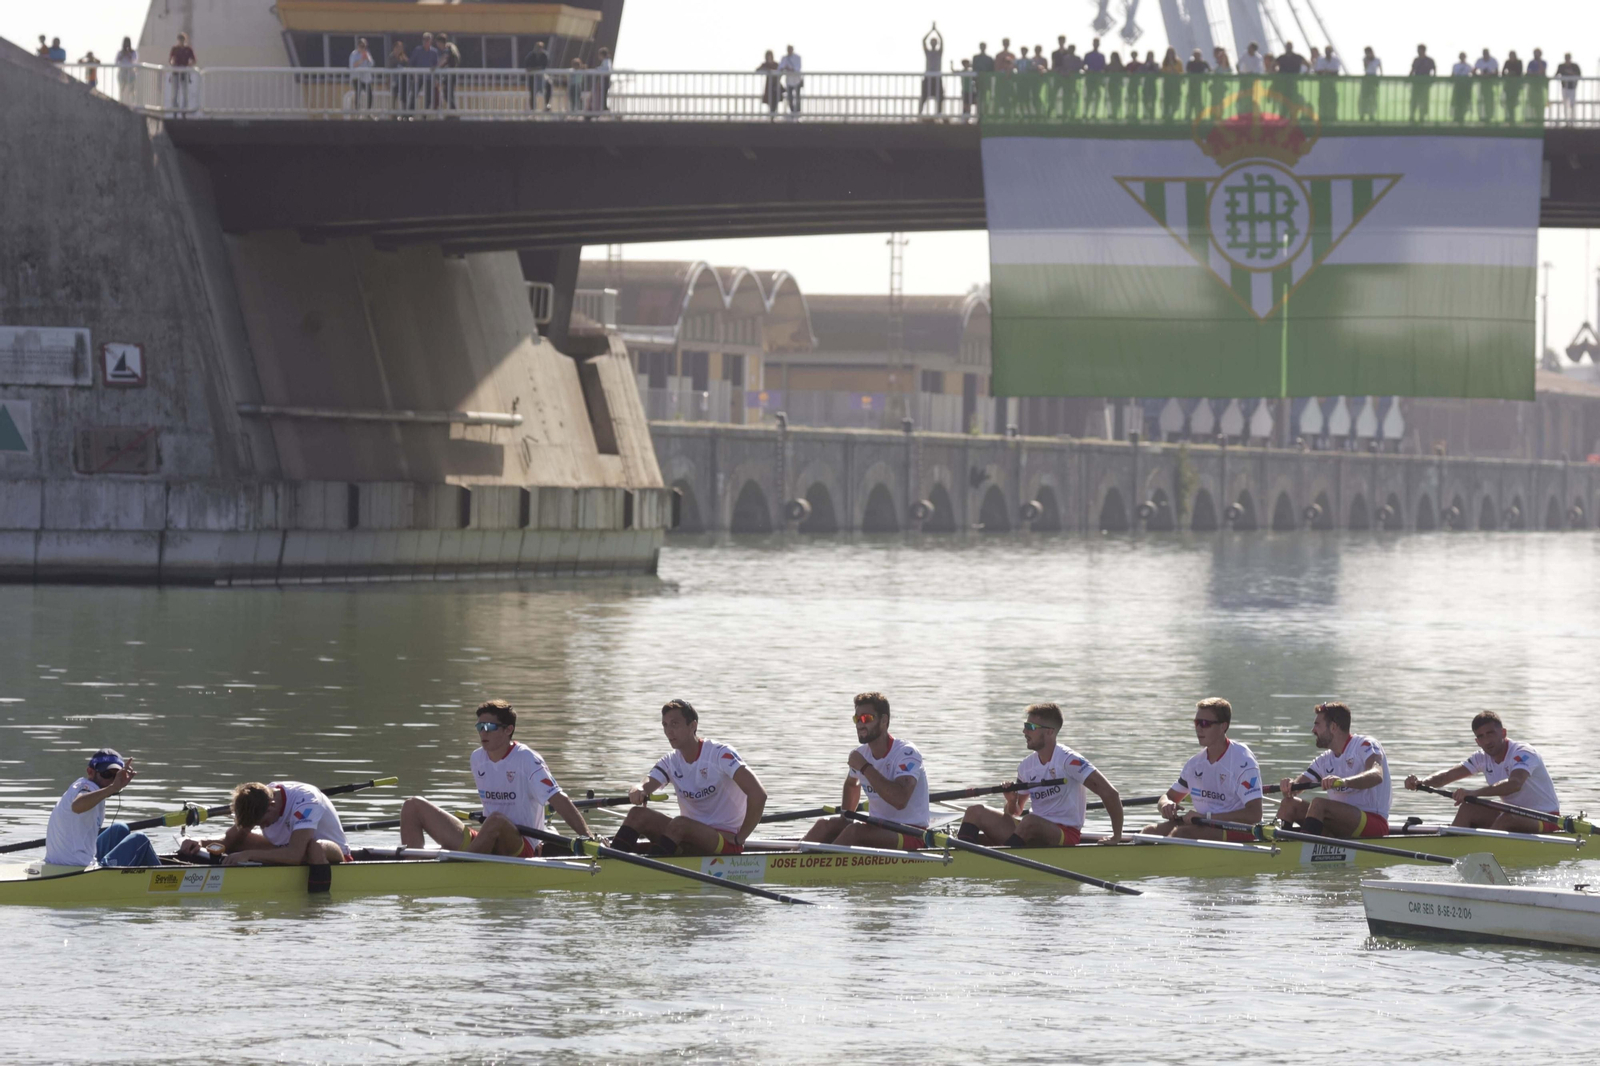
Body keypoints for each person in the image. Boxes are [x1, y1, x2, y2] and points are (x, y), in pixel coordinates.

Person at [399, 700, 592, 857]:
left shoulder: (527, 759)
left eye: (490, 726)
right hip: (487, 838)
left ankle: (462, 868)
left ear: (508, 730)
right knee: (412, 805)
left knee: (496, 820)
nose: (483, 732)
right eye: (479, 727)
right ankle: (412, 869)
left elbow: (559, 800)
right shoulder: (477, 758)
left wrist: (589, 838)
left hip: (521, 845)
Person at [957, 703, 1124, 847]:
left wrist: (1116, 836)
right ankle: (962, 858)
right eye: (1025, 725)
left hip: (1065, 833)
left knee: (1030, 821)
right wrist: (1011, 801)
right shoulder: (1025, 766)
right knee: (974, 811)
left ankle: (999, 860)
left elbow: (1109, 793)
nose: (1024, 731)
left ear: (1050, 732)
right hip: (1031, 829)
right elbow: (1015, 811)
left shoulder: (1069, 761)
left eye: (1031, 727)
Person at [614, 699, 767, 856]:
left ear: (692, 726)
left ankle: (644, 869)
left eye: (675, 724)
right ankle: (609, 862)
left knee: (680, 824)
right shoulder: (670, 761)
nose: (668, 731)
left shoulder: (720, 754)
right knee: (637, 814)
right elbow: (646, 784)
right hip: (686, 834)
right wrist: (638, 789)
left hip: (723, 839)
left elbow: (758, 795)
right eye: (665, 725)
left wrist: (740, 838)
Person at [804, 692, 930, 849]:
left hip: (911, 833)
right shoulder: (862, 754)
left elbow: (900, 800)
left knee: (855, 832)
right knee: (825, 825)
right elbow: (852, 784)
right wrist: (846, 817)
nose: (859, 724)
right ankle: (791, 857)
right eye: (857, 719)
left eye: (866, 718)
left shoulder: (907, 753)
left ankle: (817, 866)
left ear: (884, 721)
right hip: (878, 828)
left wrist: (865, 767)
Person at [1405, 712, 1561, 833]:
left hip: (1546, 818)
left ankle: (1482, 855)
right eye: (1481, 736)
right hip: (1513, 813)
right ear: (1477, 741)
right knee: (1468, 808)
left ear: (1503, 733)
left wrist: (1474, 793)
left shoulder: (1523, 753)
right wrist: (1421, 783)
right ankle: (1449, 849)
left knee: (1506, 819)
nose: (1487, 741)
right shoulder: (1481, 757)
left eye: (1491, 733)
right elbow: (1446, 776)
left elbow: (1515, 784)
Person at [1142, 698, 1264, 841]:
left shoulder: (1242, 760)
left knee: (1181, 834)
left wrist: (1208, 817)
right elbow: (1167, 796)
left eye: (1205, 724)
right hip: (1202, 823)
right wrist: (1166, 804)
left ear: (1223, 726)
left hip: (1238, 830)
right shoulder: (1195, 763)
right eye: (1197, 723)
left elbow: (1254, 814)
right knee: (1149, 831)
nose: (1199, 729)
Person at [1273, 702, 1391, 838]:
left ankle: (1301, 849)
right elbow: (1297, 787)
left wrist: (1344, 782)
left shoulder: (1365, 745)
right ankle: (1280, 844)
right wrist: (1289, 786)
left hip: (1373, 823)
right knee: (1289, 804)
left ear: (1333, 727)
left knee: (1318, 804)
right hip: (1340, 823)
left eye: (1317, 724)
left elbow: (1377, 774)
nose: (1313, 730)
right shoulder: (1324, 760)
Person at [179, 779, 350, 866]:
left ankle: (317, 906)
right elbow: (230, 839)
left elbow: (295, 854)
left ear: (271, 806)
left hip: (333, 855)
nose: (262, 827)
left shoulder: (307, 801)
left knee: (313, 847)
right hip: (287, 849)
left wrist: (249, 855)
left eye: (262, 823)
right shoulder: (258, 799)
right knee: (240, 840)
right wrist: (199, 842)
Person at [44, 749, 160, 868]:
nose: (112, 781)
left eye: (116, 776)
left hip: (60, 860)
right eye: (107, 774)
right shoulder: (88, 787)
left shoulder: (83, 786)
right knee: (140, 841)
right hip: (75, 866)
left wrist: (112, 787)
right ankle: (166, 878)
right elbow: (77, 806)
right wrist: (112, 788)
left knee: (120, 829)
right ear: (90, 772)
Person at [408, 32, 439, 113]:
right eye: (424, 40)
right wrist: (413, 74)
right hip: (419, 77)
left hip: (429, 78)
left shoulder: (434, 52)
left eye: (428, 40)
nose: (426, 42)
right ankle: (410, 114)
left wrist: (436, 78)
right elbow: (411, 63)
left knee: (428, 97)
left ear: (431, 41)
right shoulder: (417, 50)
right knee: (414, 95)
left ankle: (425, 115)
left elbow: (436, 65)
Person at [918, 23, 944, 116]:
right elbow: (923, 40)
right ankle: (919, 114)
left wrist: (936, 30)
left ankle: (939, 114)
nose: (933, 43)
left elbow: (942, 40)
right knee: (924, 96)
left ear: (936, 43)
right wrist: (931, 30)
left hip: (937, 77)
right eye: (932, 42)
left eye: (935, 42)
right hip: (928, 77)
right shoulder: (927, 52)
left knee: (940, 97)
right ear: (930, 43)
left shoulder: (939, 52)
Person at [168, 32, 197, 114]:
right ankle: (175, 109)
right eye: (180, 40)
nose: (181, 41)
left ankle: (184, 110)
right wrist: (172, 64)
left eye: (182, 39)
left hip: (184, 72)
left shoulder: (188, 49)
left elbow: (194, 60)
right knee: (174, 92)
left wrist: (188, 66)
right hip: (176, 72)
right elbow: (170, 59)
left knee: (185, 92)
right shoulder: (174, 49)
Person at [1409, 43, 1437, 122]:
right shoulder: (1416, 60)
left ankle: (1422, 116)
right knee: (1414, 100)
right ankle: (1412, 116)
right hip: (1416, 82)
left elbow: (1434, 69)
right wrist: (1409, 78)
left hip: (1425, 83)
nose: (1418, 51)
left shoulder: (1429, 60)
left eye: (1419, 50)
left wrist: (1432, 79)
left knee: (1423, 100)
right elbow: (1413, 70)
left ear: (1423, 50)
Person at [522, 38, 551, 112]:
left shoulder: (544, 55)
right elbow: (527, 67)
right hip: (532, 77)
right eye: (537, 47)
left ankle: (547, 104)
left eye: (540, 47)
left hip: (542, 75)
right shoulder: (530, 55)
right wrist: (535, 69)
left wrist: (534, 69)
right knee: (533, 92)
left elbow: (543, 67)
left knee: (549, 84)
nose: (539, 49)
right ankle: (532, 109)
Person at [1473, 47, 1499, 123]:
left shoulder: (1493, 60)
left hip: (1490, 84)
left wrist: (1489, 75)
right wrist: (1480, 75)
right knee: (1481, 100)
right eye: (1484, 53)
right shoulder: (1479, 61)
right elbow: (1474, 71)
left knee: (1490, 100)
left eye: (1486, 53)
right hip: (1482, 84)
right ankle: (1481, 116)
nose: (1485, 55)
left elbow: (1497, 72)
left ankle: (1489, 116)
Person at [348, 38, 374, 111]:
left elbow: (371, 64)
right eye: (361, 46)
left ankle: (369, 112)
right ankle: (357, 111)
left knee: (370, 94)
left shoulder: (367, 54)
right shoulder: (354, 54)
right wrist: (362, 59)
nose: (363, 48)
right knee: (358, 93)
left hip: (366, 78)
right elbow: (353, 65)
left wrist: (367, 59)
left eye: (364, 46)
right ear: (358, 46)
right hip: (356, 77)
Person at [1556, 53, 1581, 125]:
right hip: (1564, 87)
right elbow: (1556, 74)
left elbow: (1579, 75)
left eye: (1568, 58)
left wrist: (1572, 73)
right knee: (1565, 104)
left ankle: (1572, 120)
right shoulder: (1561, 66)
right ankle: (1566, 120)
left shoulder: (1575, 66)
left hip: (1572, 87)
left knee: (1572, 104)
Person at [387, 40, 411, 114]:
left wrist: (405, 59)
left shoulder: (403, 56)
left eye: (401, 47)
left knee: (404, 97)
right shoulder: (391, 57)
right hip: (394, 80)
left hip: (403, 80)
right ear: (394, 48)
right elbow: (389, 69)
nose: (400, 49)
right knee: (394, 96)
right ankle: (393, 113)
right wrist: (388, 81)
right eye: (398, 47)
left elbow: (408, 65)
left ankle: (404, 113)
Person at [778, 44, 802, 117]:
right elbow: (780, 68)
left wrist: (791, 69)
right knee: (790, 97)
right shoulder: (784, 58)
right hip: (789, 81)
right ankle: (792, 111)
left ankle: (797, 111)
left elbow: (798, 68)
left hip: (797, 80)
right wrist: (784, 68)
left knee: (797, 96)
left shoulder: (797, 57)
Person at [1450, 50, 1473, 124]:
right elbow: (1453, 75)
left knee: (1465, 102)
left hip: (1466, 87)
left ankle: (1462, 117)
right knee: (1457, 102)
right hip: (1457, 86)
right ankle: (1456, 117)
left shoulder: (1468, 66)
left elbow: (1472, 74)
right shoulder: (1455, 65)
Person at [1359, 46, 1382, 120]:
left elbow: (1380, 69)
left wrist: (1379, 79)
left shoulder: (1377, 60)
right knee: (1364, 98)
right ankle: (1362, 114)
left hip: (1373, 77)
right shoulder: (1365, 59)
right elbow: (1365, 68)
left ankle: (1371, 114)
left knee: (1372, 98)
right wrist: (1367, 61)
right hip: (1366, 77)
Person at [756, 50, 781, 118]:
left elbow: (780, 71)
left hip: (776, 84)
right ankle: (771, 116)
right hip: (768, 85)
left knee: (775, 100)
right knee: (769, 100)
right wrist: (766, 70)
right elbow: (757, 70)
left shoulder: (776, 64)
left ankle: (773, 115)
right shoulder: (765, 64)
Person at [1526, 48, 1548, 122]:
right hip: (1532, 86)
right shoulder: (1531, 63)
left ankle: (1540, 119)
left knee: (1540, 104)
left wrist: (1539, 63)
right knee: (1532, 103)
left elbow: (1542, 72)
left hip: (1540, 87)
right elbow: (1528, 73)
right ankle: (1533, 120)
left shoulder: (1543, 62)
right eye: (1535, 53)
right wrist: (1536, 74)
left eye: (1538, 53)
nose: (1536, 55)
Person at [1502, 50, 1524, 122]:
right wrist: (1508, 74)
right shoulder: (1507, 62)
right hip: (1508, 85)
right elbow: (1503, 72)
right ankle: (1510, 116)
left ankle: (1513, 117)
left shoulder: (1519, 62)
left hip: (1516, 86)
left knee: (1514, 101)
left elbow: (1520, 72)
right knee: (1508, 102)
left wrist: (1513, 73)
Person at [116, 36, 138, 105]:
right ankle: (121, 101)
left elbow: (134, 60)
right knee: (122, 87)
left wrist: (128, 54)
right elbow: (116, 61)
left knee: (132, 88)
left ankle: (133, 103)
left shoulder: (133, 52)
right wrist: (122, 55)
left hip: (130, 71)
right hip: (122, 71)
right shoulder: (120, 52)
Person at [592, 46, 613, 114]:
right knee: (603, 93)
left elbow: (607, 69)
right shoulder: (606, 61)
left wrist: (598, 69)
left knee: (604, 93)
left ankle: (604, 107)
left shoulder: (606, 61)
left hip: (605, 79)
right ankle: (603, 107)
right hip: (604, 79)